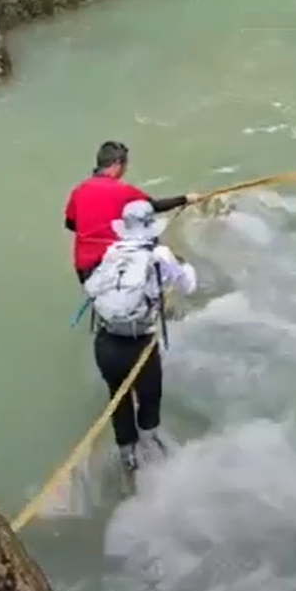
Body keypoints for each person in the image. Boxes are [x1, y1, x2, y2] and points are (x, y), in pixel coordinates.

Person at [84, 198, 197, 474]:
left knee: (118, 397)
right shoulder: (160, 254)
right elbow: (188, 286)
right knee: (149, 395)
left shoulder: (112, 252)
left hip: (106, 343)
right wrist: (184, 267)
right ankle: (150, 444)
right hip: (140, 345)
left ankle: (127, 456)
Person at [64, 141, 201, 283]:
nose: (125, 170)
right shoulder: (123, 191)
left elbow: (70, 224)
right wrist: (186, 199)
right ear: (117, 164)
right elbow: (154, 206)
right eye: (125, 165)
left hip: (85, 269)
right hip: (114, 263)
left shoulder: (78, 191)